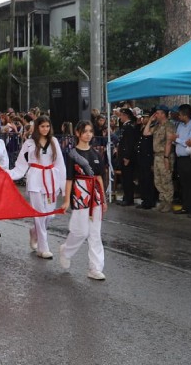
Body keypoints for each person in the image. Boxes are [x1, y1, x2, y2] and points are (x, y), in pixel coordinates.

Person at [9, 115, 65, 258]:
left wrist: (63, 186)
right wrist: (8, 175)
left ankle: (34, 232)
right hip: (35, 179)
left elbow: (60, 164)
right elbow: (21, 164)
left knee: (50, 215)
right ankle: (43, 247)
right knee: (39, 213)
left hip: (51, 179)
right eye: (42, 126)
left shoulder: (54, 141)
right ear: (37, 127)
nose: (45, 129)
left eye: (47, 126)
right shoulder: (29, 143)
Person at [59, 120, 107, 281]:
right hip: (80, 194)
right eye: (85, 131)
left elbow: (99, 177)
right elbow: (69, 179)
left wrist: (104, 199)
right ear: (78, 133)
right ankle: (66, 251)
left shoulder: (96, 153)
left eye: (90, 131)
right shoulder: (72, 154)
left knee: (95, 233)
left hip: (95, 194)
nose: (88, 134)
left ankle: (95, 268)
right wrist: (66, 200)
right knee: (81, 231)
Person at [143, 106, 176, 213]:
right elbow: (146, 133)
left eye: (157, 113)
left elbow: (169, 142)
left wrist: (166, 157)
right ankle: (162, 200)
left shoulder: (169, 126)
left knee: (166, 179)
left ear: (163, 114)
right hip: (157, 156)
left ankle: (168, 202)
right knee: (158, 180)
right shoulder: (157, 125)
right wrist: (150, 121)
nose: (155, 115)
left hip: (164, 156)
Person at [173, 105, 191, 215]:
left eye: (180, 114)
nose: (178, 116)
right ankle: (185, 206)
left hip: (188, 158)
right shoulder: (180, 125)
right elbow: (177, 138)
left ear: (185, 115)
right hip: (180, 157)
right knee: (182, 183)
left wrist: (177, 139)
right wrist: (176, 139)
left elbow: (189, 141)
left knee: (189, 184)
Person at [116, 108, 138, 206]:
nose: (120, 117)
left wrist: (127, 157)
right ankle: (126, 196)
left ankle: (129, 199)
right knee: (124, 178)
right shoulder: (125, 126)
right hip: (122, 155)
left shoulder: (129, 127)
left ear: (126, 116)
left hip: (126, 156)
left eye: (121, 115)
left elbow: (129, 143)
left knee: (128, 178)